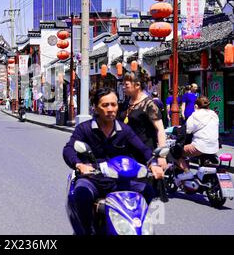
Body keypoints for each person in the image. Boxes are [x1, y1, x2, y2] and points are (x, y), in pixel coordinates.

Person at [63, 88, 164, 235]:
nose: (110, 109)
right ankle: (88, 232)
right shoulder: (84, 129)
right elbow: (69, 149)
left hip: (120, 180)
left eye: (113, 104)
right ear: (96, 107)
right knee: (81, 194)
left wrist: (153, 164)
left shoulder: (124, 130)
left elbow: (143, 149)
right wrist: (80, 165)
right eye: (105, 105)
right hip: (94, 179)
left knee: (148, 190)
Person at [120, 72, 167, 169]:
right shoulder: (126, 103)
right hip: (127, 151)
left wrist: (161, 155)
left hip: (144, 151)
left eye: (126, 84)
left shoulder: (149, 104)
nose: (123, 87)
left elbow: (160, 130)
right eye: (123, 84)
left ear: (137, 85)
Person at [172, 96, 220, 183]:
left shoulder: (195, 115)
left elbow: (188, 130)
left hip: (200, 146)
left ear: (196, 106)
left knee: (175, 152)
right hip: (214, 147)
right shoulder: (214, 114)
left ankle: (187, 172)